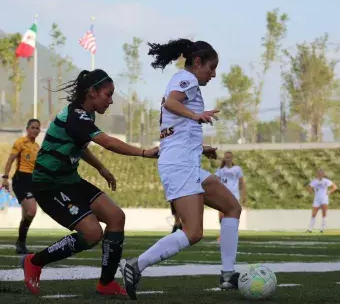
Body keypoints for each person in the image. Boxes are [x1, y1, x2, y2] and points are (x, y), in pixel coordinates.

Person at [120, 38, 242, 300]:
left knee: (232, 207)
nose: (214, 73)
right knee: (193, 232)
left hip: (187, 163)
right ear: (197, 62)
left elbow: (176, 131)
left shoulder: (187, 82)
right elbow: (171, 104)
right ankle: (135, 265)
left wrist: (203, 147)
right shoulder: (186, 79)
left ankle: (228, 274)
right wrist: (197, 115)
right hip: (179, 165)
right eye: (212, 67)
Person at [21, 69, 159, 296]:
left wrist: (101, 168)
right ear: (92, 92)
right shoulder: (77, 116)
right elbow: (108, 143)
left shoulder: (86, 115)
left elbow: (80, 146)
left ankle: (105, 284)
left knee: (116, 217)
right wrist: (144, 152)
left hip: (69, 180)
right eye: (108, 94)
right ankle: (34, 262)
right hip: (49, 185)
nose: (111, 100)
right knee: (92, 234)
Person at [2, 119, 41, 254]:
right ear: (27, 128)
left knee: (27, 215)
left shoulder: (37, 147)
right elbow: (10, 160)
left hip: (32, 181)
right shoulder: (20, 142)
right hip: (21, 180)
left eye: (37, 128)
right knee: (32, 211)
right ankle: (20, 243)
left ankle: (21, 244)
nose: (35, 130)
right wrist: (5, 178)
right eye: (33, 127)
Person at [215, 151, 246, 233]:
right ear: (224, 158)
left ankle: (233, 232)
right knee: (221, 214)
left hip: (235, 195)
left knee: (233, 215)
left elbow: (242, 182)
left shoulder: (237, 169)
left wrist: (244, 195)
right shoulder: (220, 169)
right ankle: (223, 232)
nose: (228, 159)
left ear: (232, 158)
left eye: (229, 157)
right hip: (223, 195)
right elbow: (216, 182)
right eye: (226, 157)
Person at [306, 168, 337, 233]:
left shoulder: (326, 181)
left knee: (324, 214)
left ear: (323, 174)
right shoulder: (314, 181)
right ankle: (310, 229)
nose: (320, 175)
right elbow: (308, 187)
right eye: (319, 173)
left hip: (324, 199)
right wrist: (311, 192)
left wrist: (329, 192)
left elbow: (334, 187)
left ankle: (322, 229)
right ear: (317, 174)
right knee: (313, 214)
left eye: (321, 173)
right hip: (316, 199)